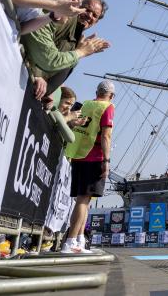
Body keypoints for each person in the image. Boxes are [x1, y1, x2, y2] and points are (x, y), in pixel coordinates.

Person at [62, 80, 115, 254]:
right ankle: (69, 242)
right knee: (83, 200)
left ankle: (79, 240)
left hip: (78, 154)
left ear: (96, 91)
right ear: (111, 95)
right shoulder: (107, 107)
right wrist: (107, 162)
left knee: (85, 201)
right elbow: (106, 136)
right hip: (94, 156)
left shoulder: (84, 104)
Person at [22, 0, 110, 97]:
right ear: (77, 7)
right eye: (87, 9)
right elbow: (36, 40)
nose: (89, 15)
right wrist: (37, 75)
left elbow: (61, 65)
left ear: (96, 22)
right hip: (25, 74)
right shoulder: (64, 20)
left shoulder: (78, 37)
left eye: (94, 15)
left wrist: (51, 92)